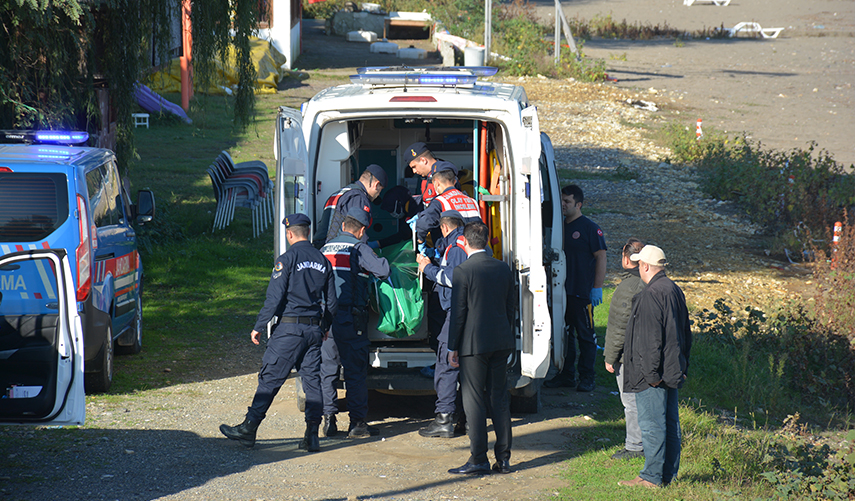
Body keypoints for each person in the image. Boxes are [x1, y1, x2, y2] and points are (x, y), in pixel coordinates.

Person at [220, 213, 337, 452]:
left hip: (290, 330)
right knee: (312, 382)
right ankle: (311, 435)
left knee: (270, 377)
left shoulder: (287, 259)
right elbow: (333, 302)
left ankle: (249, 428)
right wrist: (323, 327)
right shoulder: (323, 261)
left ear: (290, 233)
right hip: (314, 330)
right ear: (308, 232)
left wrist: (259, 326)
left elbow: (274, 298)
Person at [619, 245, 692, 489]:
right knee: (670, 423)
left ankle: (651, 477)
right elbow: (685, 333)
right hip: (672, 367)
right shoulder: (673, 289)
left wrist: (650, 375)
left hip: (655, 373)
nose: (639, 267)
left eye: (640, 264)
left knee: (652, 424)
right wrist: (683, 364)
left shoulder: (651, 294)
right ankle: (666, 475)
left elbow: (650, 340)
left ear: (646, 267)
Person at [447, 221, 515, 475]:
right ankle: (504, 458)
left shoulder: (463, 271)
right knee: (500, 400)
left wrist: (453, 346)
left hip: (472, 345)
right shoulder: (503, 268)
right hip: (500, 341)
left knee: (473, 401)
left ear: (464, 242)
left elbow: (459, 313)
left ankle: (478, 458)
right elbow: (511, 307)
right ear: (486, 240)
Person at [319, 206, 391, 438]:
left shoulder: (325, 248)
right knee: (355, 371)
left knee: (327, 368)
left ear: (342, 226)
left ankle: (329, 420)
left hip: (325, 319)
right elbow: (383, 270)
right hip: (350, 318)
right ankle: (357, 423)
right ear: (361, 231)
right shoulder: (358, 248)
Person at [545, 184, 607, 392]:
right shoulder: (559, 227)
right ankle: (566, 374)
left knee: (585, 336)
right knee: (564, 335)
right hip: (561, 290)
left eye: (567, 202)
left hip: (581, 291)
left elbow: (601, 257)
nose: (563, 205)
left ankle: (587, 377)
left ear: (579, 204)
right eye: (561, 201)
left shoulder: (590, 228)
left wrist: (597, 287)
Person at [415, 210, 468, 438]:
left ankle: (444, 419)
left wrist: (427, 267)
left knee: (446, 365)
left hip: (456, 312)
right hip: (468, 312)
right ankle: (465, 418)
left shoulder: (455, 247)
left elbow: (451, 279)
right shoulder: (465, 243)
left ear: (445, 228)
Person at [603, 238, 646, 460]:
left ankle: (635, 446)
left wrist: (610, 357)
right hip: (648, 352)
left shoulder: (628, 287)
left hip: (629, 356)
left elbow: (619, 326)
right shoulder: (653, 282)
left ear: (625, 258)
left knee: (631, 402)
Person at [313, 164, 387, 246]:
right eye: (380, 191)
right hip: (340, 250)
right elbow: (357, 233)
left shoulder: (339, 194)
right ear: (376, 185)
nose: (378, 194)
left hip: (322, 248)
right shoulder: (359, 198)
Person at [414, 160, 481, 253]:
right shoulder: (472, 201)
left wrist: (420, 240)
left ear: (436, 183)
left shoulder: (440, 201)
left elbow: (423, 224)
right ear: (455, 181)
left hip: (453, 254)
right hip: (474, 252)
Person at [404, 142, 440, 207]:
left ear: (423, 160)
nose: (414, 171)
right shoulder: (425, 178)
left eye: (414, 167)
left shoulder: (444, 174)